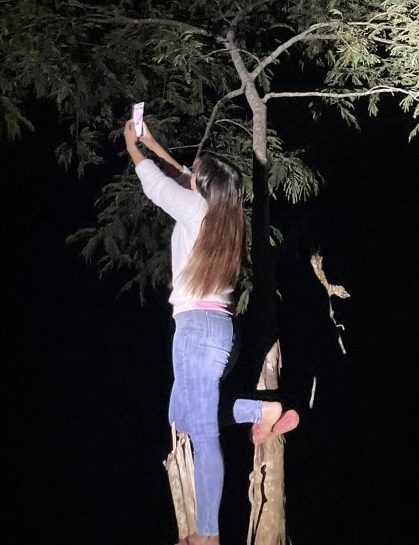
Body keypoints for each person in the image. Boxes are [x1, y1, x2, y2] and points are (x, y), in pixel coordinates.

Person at [123, 119, 299, 545]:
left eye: (194, 175)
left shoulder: (194, 209)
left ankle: (208, 535)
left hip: (196, 333)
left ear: (201, 188)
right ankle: (264, 413)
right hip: (219, 329)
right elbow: (183, 174)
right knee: (181, 417)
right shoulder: (225, 217)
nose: (187, 174)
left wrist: (132, 144)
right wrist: (153, 142)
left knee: (202, 435)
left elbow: (154, 183)